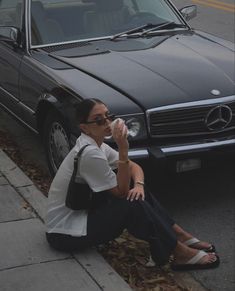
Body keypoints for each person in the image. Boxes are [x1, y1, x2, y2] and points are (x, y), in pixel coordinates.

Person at [45, 98, 219, 271]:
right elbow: (121, 193)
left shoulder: (98, 145)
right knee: (131, 203)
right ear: (84, 127)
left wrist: (139, 185)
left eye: (108, 116)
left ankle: (180, 236)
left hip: (81, 217)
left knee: (136, 191)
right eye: (99, 119)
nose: (107, 122)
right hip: (65, 234)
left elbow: (134, 167)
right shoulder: (90, 153)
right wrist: (123, 148)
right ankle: (180, 253)